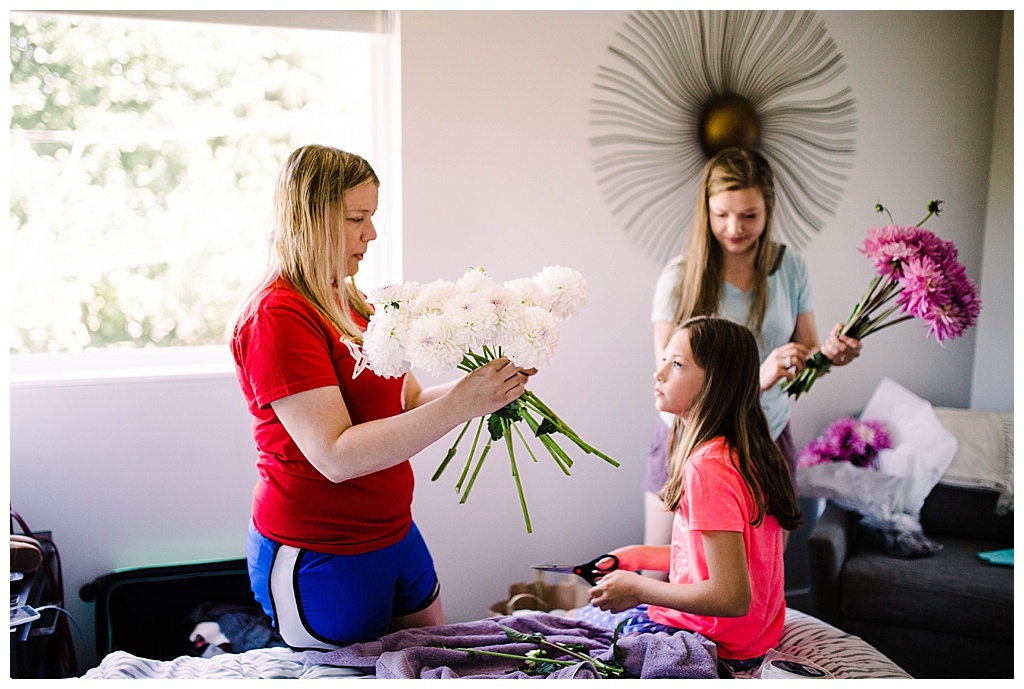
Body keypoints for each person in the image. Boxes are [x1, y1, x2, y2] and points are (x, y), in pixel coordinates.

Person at [230, 144, 533, 650]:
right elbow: (335, 456)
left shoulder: (353, 301)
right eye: (357, 218)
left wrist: (486, 388)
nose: (371, 233)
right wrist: (460, 405)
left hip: (395, 533)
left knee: (434, 661)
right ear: (310, 220)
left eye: (371, 217)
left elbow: (408, 403)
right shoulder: (278, 317)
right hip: (323, 548)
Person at [643, 147, 861, 550]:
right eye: (721, 214)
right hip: (691, 440)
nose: (734, 228)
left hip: (764, 436)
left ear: (768, 210)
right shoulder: (679, 278)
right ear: (705, 210)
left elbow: (805, 349)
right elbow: (669, 380)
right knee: (668, 567)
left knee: (758, 569)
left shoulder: (790, 267)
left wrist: (828, 356)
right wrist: (756, 378)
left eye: (749, 216)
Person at [579, 316, 804, 674]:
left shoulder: (707, 466)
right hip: (754, 639)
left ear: (715, 383)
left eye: (677, 364)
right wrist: (633, 557)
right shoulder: (748, 454)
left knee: (579, 632)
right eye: (665, 359)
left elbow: (730, 596)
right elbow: (707, 560)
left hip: (717, 642)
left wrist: (639, 589)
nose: (660, 373)